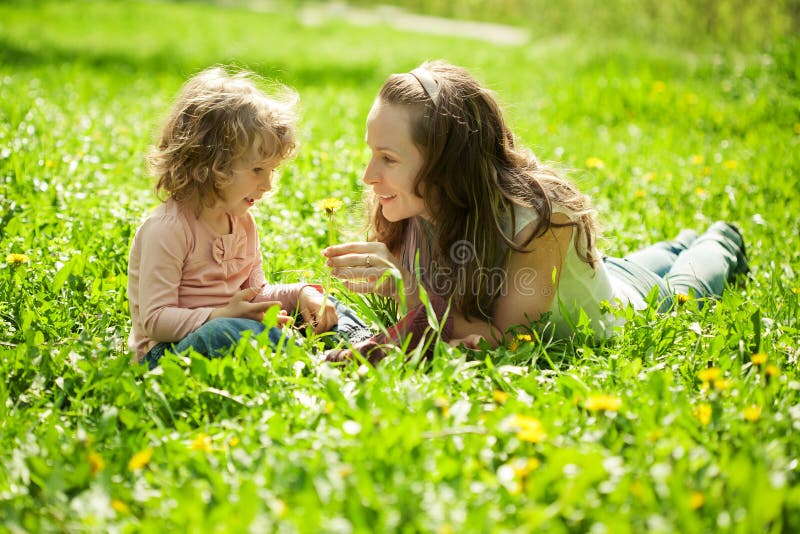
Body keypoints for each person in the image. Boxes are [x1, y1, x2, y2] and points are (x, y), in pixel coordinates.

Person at [322, 60, 748, 359]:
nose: (368, 176)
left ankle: (722, 237)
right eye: (372, 154)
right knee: (647, 261)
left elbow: (503, 339)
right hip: (603, 274)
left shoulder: (542, 221)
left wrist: (406, 284)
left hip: (618, 310)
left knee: (682, 288)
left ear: (445, 164)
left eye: (389, 159)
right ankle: (682, 242)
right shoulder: (417, 206)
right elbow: (443, 306)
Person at [128, 66, 367, 369]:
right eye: (257, 170)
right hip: (168, 353)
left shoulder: (241, 222)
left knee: (321, 302)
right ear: (209, 162)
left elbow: (255, 294)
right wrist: (221, 315)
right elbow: (155, 321)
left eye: (272, 171)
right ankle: (311, 361)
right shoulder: (167, 230)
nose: (268, 184)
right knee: (228, 331)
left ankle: (364, 344)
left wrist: (301, 293)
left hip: (234, 324)